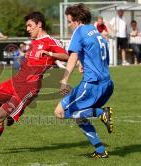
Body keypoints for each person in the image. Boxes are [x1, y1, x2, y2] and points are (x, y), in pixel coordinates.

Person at [0, 11, 69, 156]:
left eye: (29, 25)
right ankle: (10, 113)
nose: (27, 29)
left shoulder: (51, 41)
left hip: (30, 86)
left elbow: (67, 56)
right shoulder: (32, 43)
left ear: (39, 24)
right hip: (16, 80)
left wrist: (49, 53)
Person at [54, 4, 114, 158]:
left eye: (69, 21)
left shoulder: (79, 31)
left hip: (92, 85)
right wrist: (84, 63)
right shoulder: (97, 33)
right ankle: (100, 151)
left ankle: (102, 112)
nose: (68, 25)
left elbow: (73, 56)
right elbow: (96, 54)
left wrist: (64, 79)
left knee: (61, 112)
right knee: (80, 116)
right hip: (107, 84)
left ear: (78, 20)